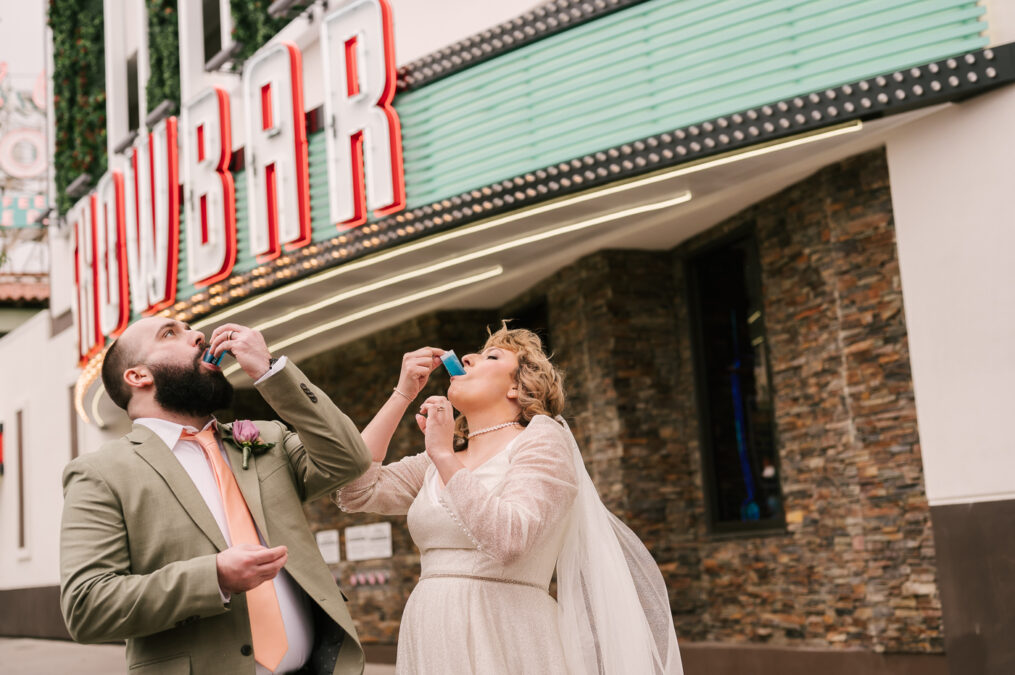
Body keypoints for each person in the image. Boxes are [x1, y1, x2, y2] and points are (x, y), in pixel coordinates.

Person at [335, 325, 683, 674]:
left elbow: (510, 539)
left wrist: (443, 455)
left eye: (490, 356)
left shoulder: (541, 438)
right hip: (431, 630)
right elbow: (355, 490)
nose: (466, 358)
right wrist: (402, 395)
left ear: (517, 386)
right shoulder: (444, 455)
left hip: (504, 630)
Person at [59, 318, 372, 674]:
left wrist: (270, 371)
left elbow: (349, 459)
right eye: (169, 333)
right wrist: (215, 577)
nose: (198, 335)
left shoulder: (266, 437)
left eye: (190, 329)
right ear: (138, 376)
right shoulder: (101, 472)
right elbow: (86, 607)